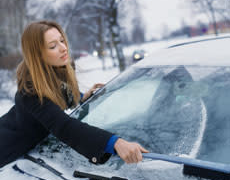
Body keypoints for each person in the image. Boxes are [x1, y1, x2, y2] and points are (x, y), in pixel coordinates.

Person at [0, 20, 148, 168]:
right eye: (53, 46)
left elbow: (58, 98)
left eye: (62, 41)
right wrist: (114, 142)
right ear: (37, 55)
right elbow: (64, 126)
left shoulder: (56, 72)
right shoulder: (30, 92)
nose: (63, 48)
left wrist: (80, 97)